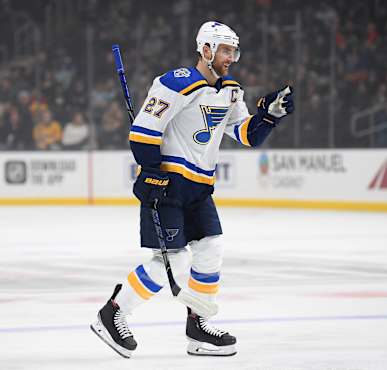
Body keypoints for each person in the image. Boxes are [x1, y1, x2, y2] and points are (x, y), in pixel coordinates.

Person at [90, 21, 294, 359]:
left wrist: (269, 116)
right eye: (225, 50)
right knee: (174, 260)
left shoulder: (231, 91)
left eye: (234, 50)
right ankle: (112, 313)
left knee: (212, 249)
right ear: (206, 49)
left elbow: (246, 134)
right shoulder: (175, 83)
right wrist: (153, 174)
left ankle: (198, 326)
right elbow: (143, 131)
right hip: (169, 184)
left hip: (200, 188)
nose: (231, 57)